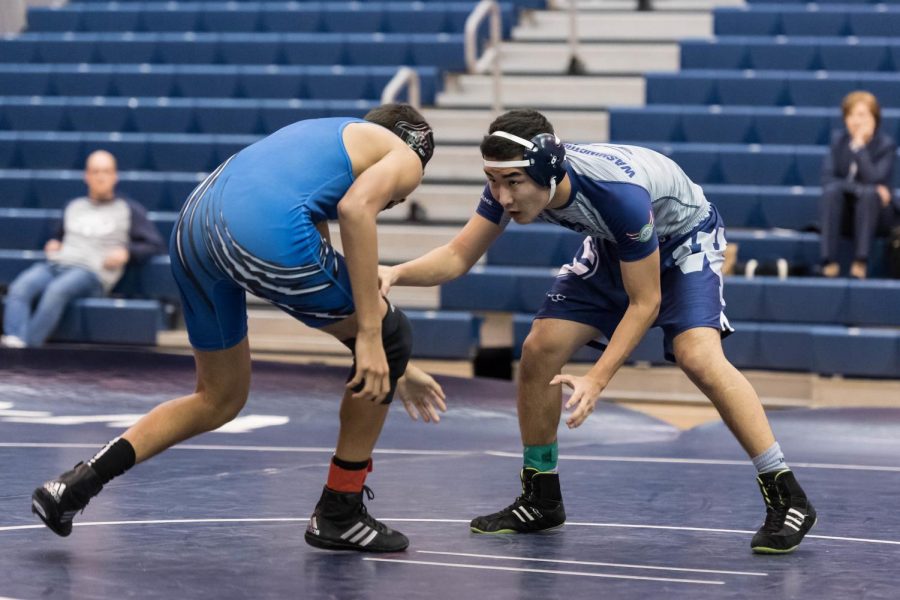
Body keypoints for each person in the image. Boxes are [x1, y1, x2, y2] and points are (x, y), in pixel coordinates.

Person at [380, 109, 817, 554]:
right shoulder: (513, 181)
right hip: (617, 243)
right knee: (539, 349)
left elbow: (645, 302)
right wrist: (395, 273)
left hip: (683, 237)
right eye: (494, 182)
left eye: (512, 183)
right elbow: (458, 256)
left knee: (698, 356)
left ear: (548, 171)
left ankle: (786, 492)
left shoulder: (616, 195)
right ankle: (541, 496)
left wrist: (597, 378)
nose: (502, 196)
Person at [31, 104, 448, 553]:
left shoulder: (325, 139)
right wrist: (374, 337)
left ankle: (74, 485)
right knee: (388, 329)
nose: (395, 199)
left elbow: (328, 263)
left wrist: (389, 358)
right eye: (397, 198)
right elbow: (356, 210)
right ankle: (340, 512)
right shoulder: (404, 156)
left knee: (218, 397)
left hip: (194, 223)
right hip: (259, 227)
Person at [1, 150, 166, 348]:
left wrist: (128, 251)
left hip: (91, 272)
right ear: (86, 176)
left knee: (56, 291)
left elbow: (154, 244)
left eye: (106, 171)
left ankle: (27, 348)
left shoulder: (128, 209)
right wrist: (54, 242)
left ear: (115, 176)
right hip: (57, 264)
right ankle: (15, 342)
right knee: (20, 287)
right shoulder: (74, 206)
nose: (100, 177)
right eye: (95, 171)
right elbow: (59, 235)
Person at [820, 91, 897, 279]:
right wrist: (857, 189)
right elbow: (827, 179)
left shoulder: (886, 146)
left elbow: (876, 178)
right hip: (845, 212)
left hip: (875, 215)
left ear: (874, 118)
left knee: (870, 195)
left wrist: (860, 148)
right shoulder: (838, 141)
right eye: (851, 115)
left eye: (862, 115)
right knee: (832, 192)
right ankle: (828, 261)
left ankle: (861, 261)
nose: (856, 121)